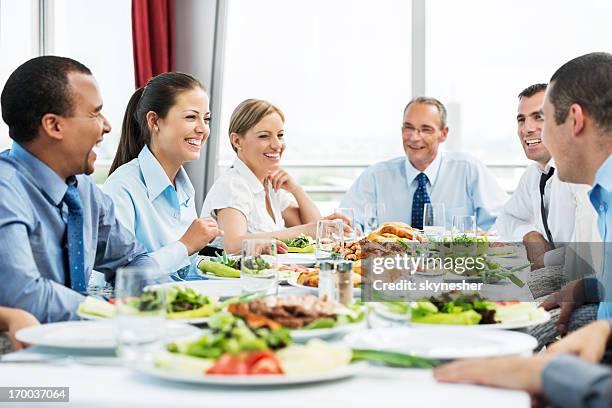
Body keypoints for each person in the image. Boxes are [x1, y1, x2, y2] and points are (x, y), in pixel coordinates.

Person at [435, 52, 612, 408]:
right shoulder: (594, 188)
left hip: (588, 337)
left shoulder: (588, 187)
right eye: (523, 119)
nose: (534, 131)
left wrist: (551, 376)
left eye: (543, 119)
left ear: (574, 120)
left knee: (478, 328)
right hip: (586, 306)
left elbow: (583, 262)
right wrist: (584, 287)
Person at [0, 56, 157, 323]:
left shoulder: (83, 189)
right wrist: (108, 311)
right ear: (54, 126)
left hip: (85, 341)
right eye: (95, 113)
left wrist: (143, 303)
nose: (106, 126)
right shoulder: (6, 190)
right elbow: (23, 296)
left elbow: (133, 260)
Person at [103, 72, 221, 279]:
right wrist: (186, 245)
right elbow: (124, 276)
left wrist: (240, 258)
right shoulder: (122, 187)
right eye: (191, 117)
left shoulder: (183, 187)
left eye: (206, 119)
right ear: (154, 121)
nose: (203, 129)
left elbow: (183, 269)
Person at [201, 98, 349, 254]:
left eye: (280, 135)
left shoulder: (269, 184)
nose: (277, 144)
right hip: (230, 278)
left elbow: (315, 229)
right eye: (264, 136)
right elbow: (234, 244)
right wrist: (306, 230)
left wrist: (296, 189)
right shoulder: (232, 185)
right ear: (237, 141)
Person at [340, 97, 507, 232]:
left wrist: (479, 238)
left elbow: (502, 221)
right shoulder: (375, 176)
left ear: (443, 134)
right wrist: (351, 231)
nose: (414, 137)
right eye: (408, 128)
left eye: (425, 129)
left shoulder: (468, 169)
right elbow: (346, 224)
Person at [492, 83, 577, 269]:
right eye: (521, 120)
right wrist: (529, 234)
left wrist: (545, 259)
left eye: (538, 117)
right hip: (555, 284)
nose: (527, 128)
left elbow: (590, 257)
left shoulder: (581, 176)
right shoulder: (534, 173)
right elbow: (507, 219)